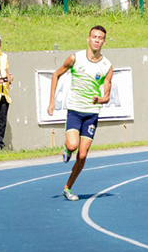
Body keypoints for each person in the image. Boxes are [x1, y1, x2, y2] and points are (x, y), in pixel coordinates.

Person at [47, 25, 113, 201]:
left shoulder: (107, 66)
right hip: (75, 112)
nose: (97, 40)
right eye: (94, 37)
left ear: (104, 42)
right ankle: (67, 148)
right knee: (72, 145)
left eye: (100, 38)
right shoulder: (75, 58)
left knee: (82, 155)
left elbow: (107, 96)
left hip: (91, 114)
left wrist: (99, 100)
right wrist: (52, 101)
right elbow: (56, 75)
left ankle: (68, 187)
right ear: (88, 39)